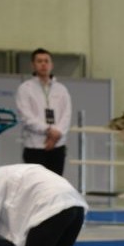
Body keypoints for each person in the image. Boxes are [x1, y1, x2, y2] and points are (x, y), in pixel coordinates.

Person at [16, 48, 72, 176]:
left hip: (57, 146)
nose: (43, 64)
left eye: (46, 61)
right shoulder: (25, 88)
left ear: (51, 64)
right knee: (35, 186)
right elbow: (26, 117)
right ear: (33, 65)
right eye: (39, 61)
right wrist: (48, 130)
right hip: (34, 146)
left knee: (55, 187)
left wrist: (56, 134)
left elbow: (66, 115)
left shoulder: (61, 89)